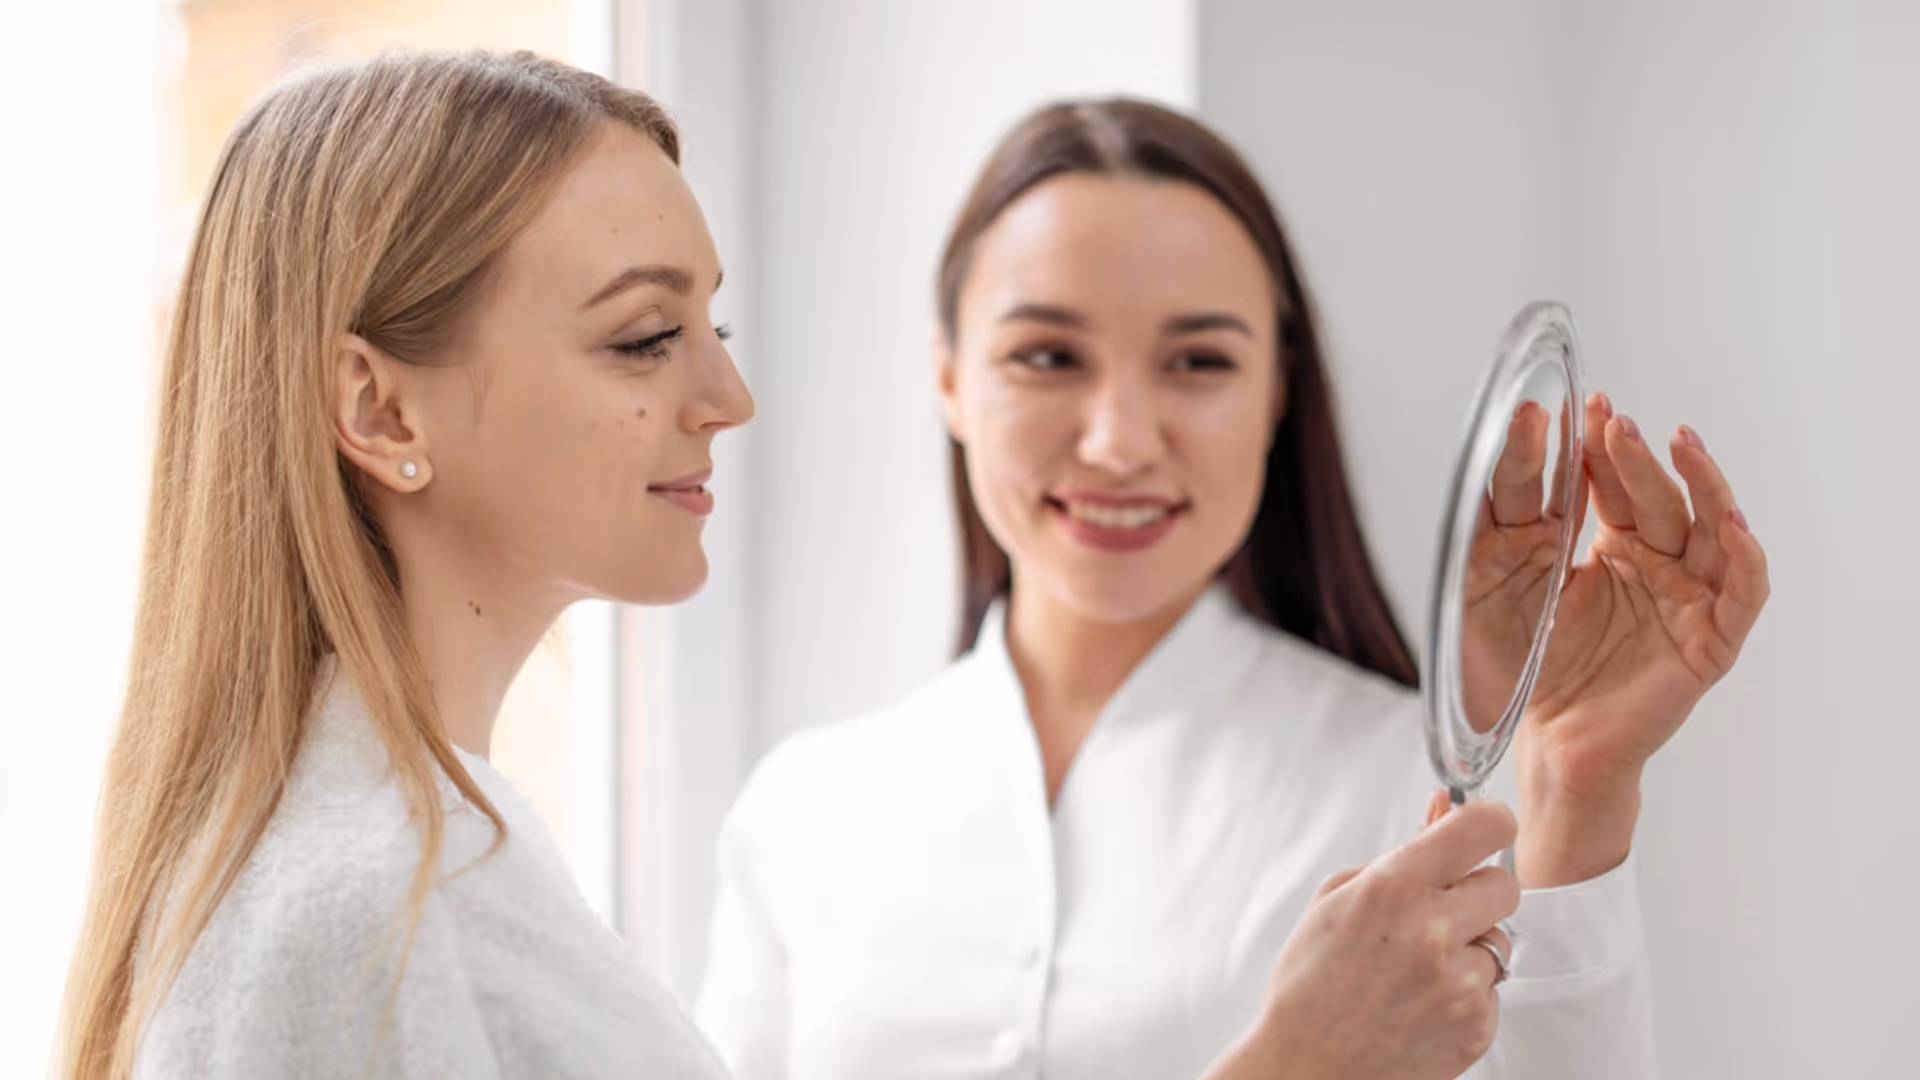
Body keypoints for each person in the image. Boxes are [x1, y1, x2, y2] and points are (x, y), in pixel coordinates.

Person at [52, 53, 1526, 1080]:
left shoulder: (454, 859)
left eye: (716, 327)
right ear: (379, 407)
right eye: (644, 337)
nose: (728, 400)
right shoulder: (354, 913)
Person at [695, 99, 1772, 1080]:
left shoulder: (1414, 797)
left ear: (1278, 394)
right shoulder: (805, 814)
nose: (1118, 443)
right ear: (947, 378)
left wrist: (1576, 796)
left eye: (1198, 363)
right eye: (1047, 357)